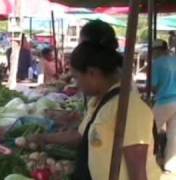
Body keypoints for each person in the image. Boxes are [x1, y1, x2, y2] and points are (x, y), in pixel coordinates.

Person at [28, 42, 161, 180]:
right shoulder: (99, 102)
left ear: (92, 73)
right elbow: (81, 136)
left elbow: (138, 172)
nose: (76, 84)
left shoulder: (129, 108)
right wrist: (44, 138)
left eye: (76, 77)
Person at [152, 39, 176, 174]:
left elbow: (154, 86)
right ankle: (170, 166)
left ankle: (149, 160)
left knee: (149, 130)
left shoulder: (157, 63)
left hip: (163, 101)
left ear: (156, 50)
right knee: (174, 134)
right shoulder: (174, 60)